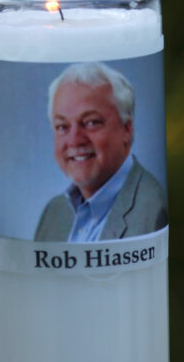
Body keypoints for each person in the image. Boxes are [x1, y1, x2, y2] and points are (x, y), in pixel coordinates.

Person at [35, 62, 168, 242]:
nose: (74, 139)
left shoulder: (153, 209)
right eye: (62, 126)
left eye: (91, 122)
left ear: (126, 129)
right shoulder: (54, 213)